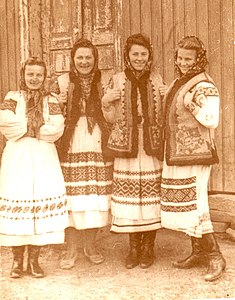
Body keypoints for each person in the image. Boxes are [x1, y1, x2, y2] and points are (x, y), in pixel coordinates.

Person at [160, 36, 226, 281]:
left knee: (198, 205)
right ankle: (197, 252)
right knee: (189, 205)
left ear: (199, 59)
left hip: (197, 155)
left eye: (189, 59)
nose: (183, 62)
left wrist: (192, 106)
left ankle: (216, 256)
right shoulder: (182, 81)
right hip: (180, 153)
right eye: (180, 58)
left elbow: (212, 120)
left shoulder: (204, 84)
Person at [101, 33, 167, 269]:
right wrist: (106, 102)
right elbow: (109, 119)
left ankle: (148, 248)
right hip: (127, 146)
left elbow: (164, 114)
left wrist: (165, 96)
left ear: (149, 56)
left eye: (143, 54)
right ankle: (134, 248)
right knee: (130, 199)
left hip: (150, 144)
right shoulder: (117, 79)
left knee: (151, 196)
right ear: (127, 56)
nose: (139, 58)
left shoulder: (157, 78)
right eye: (135, 54)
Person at [0, 57, 68, 278]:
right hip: (18, 157)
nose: (34, 78)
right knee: (19, 199)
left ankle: (34, 261)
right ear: (24, 75)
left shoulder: (51, 101)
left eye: (39, 74)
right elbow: (5, 123)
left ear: (44, 76)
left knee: (40, 199)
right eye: (30, 74)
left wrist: (30, 130)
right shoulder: (13, 97)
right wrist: (36, 128)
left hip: (43, 159)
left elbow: (57, 129)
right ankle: (17, 261)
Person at [51, 38, 113, 269]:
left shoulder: (104, 80)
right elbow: (50, 109)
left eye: (89, 57)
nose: (84, 62)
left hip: (97, 137)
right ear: (73, 60)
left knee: (95, 194)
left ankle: (91, 245)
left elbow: (113, 109)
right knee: (72, 195)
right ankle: (70, 249)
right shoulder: (61, 81)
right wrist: (57, 101)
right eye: (80, 58)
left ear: (95, 60)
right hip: (71, 140)